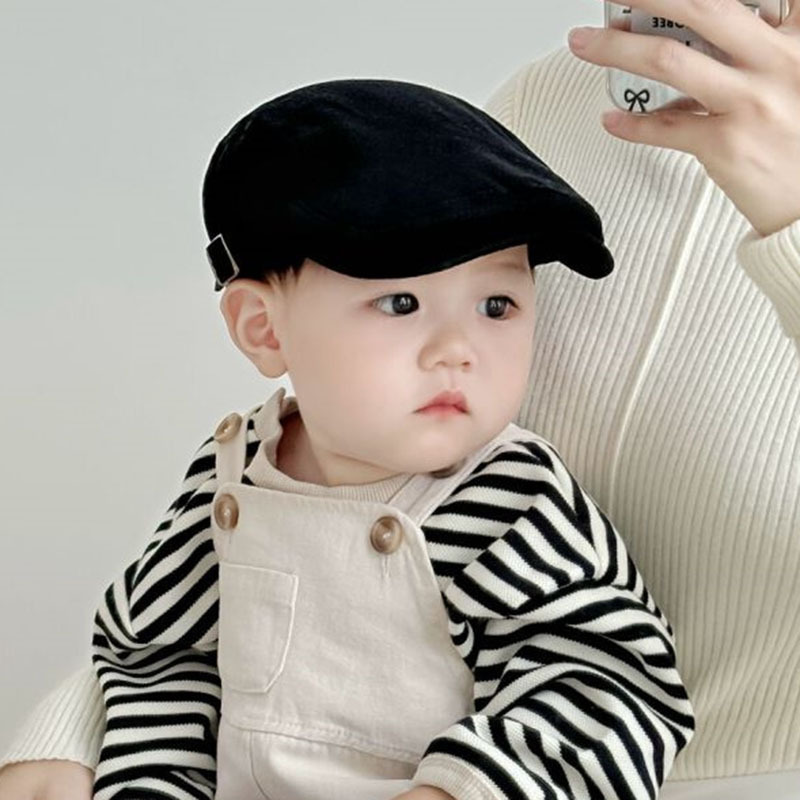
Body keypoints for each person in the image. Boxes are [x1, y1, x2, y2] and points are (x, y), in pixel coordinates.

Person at [3, 0, 800, 796]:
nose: (457, 350)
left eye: (499, 308)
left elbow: (608, 681)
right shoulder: (554, 102)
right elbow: (162, 649)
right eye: (403, 305)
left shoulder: (512, 500)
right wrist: (89, 752)